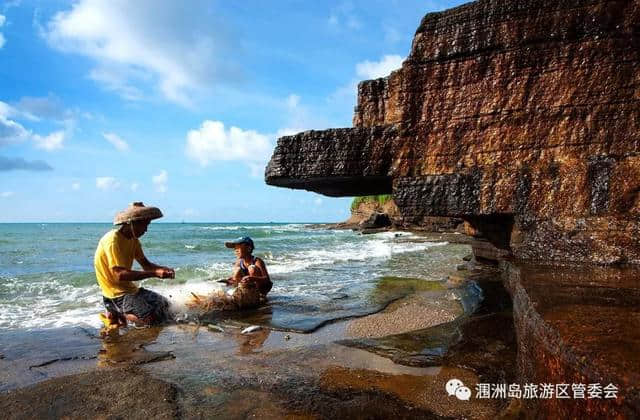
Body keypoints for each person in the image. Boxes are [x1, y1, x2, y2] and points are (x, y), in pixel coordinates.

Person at [94, 202, 175, 329]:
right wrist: (154, 273)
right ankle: (117, 313)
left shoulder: (134, 240)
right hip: (115, 294)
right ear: (132, 223)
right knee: (152, 320)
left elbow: (146, 265)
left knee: (166, 306)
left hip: (130, 290)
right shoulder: (113, 240)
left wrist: (162, 269)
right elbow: (120, 275)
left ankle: (121, 312)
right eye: (144, 225)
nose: (146, 230)